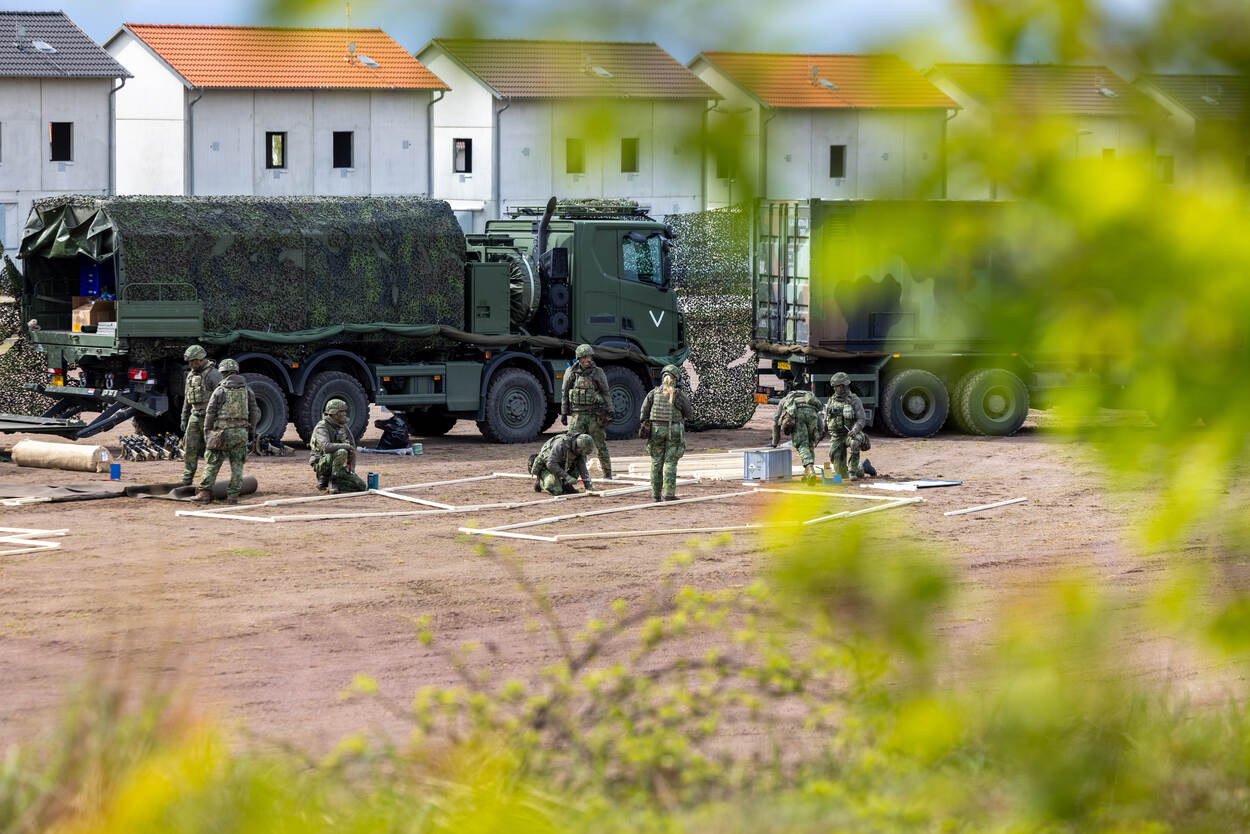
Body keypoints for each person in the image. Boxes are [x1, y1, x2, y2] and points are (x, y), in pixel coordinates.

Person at [195, 358, 257, 504]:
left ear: (222, 373)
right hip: (241, 432)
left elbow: (210, 412)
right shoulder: (247, 390)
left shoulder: (220, 390)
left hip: (221, 433)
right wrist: (251, 432)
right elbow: (254, 412)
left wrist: (207, 431)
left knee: (213, 463)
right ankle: (233, 496)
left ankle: (204, 493)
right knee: (237, 465)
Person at [639, 364, 694, 502]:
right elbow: (689, 413)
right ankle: (669, 494)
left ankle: (655, 495)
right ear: (676, 379)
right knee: (670, 462)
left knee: (656, 462)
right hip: (673, 431)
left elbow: (643, 413)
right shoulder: (679, 395)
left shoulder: (653, 393)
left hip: (656, 431)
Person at [561, 343, 613, 479]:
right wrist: (564, 412)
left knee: (601, 444)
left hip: (594, 415)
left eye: (589, 357)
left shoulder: (598, 372)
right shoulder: (571, 372)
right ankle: (571, 472)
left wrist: (610, 410)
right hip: (577, 415)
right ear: (578, 358)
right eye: (584, 358)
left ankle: (607, 473)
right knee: (572, 444)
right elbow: (565, 393)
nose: (587, 361)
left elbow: (605, 392)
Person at [179, 344, 221, 486]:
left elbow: (222, 397)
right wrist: (184, 417)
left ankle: (208, 480)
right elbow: (187, 398)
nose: (191, 364)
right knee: (189, 447)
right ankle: (187, 477)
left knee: (211, 450)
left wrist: (220, 419)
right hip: (194, 416)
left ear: (201, 359)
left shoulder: (213, 374)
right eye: (189, 361)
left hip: (210, 418)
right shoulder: (191, 375)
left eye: (193, 361)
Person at [822, 372, 877, 480]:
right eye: (834, 387)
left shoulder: (854, 400)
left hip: (851, 434)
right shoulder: (831, 400)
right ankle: (864, 467)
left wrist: (855, 430)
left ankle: (852, 471)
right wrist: (821, 433)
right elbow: (826, 419)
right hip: (837, 436)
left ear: (844, 386)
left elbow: (861, 419)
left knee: (854, 442)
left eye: (837, 386)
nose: (835, 389)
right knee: (841, 474)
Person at [310, 398, 368, 494]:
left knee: (361, 486)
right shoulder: (322, 426)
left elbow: (352, 446)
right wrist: (345, 446)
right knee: (342, 451)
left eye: (345, 411)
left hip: (337, 466)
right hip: (322, 462)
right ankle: (330, 480)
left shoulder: (342, 425)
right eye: (341, 411)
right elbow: (326, 447)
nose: (344, 413)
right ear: (334, 414)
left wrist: (351, 469)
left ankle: (333, 479)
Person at [771, 381, 823, 483]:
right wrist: (819, 434)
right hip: (812, 415)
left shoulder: (786, 399)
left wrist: (775, 442)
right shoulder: (810, 398)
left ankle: (809, 468)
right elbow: (819, 418)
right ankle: (807, 473)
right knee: (810, 444)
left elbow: (776, 421)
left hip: (798, 416)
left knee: (802, 444)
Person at [529, 430, 595, 496]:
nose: (582, 454)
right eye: (581, 451)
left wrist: (588, 486)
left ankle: (566, 485)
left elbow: (582, 468)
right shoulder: (561, 444)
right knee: (556, 490)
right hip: (547, 465)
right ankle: (540, 482)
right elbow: (551, 464)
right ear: (577, 446)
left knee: (577, 465)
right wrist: (567, 477)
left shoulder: (580, 450)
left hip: (560, 465)